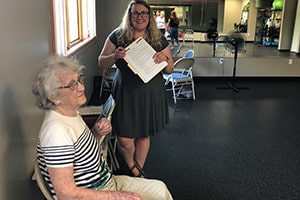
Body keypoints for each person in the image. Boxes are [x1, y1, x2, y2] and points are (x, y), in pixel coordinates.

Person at [32, 56, 173, 200]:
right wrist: (116, 196)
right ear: (53, 96)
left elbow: (81, 153)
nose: (82, 87)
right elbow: (66, 194)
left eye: (79, 79)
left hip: (105, 183)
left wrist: (97, 133)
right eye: (72, 85)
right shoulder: (56, 133)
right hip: (96, 194)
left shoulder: (71, 113)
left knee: (160, 190)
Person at [98, 0, 174, 178]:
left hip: (150, 91)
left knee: (143, 133)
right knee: (124, 138)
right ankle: (132, 166)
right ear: (130, 16)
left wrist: (165, 59)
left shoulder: (158, 38)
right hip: (126, 90)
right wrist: (114, 56)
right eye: (135, 13)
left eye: (144, 13)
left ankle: (138, 171)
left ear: (149, 17)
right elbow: (101, 61)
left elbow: (170, 69)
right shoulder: (118, 35)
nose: (140, 17)